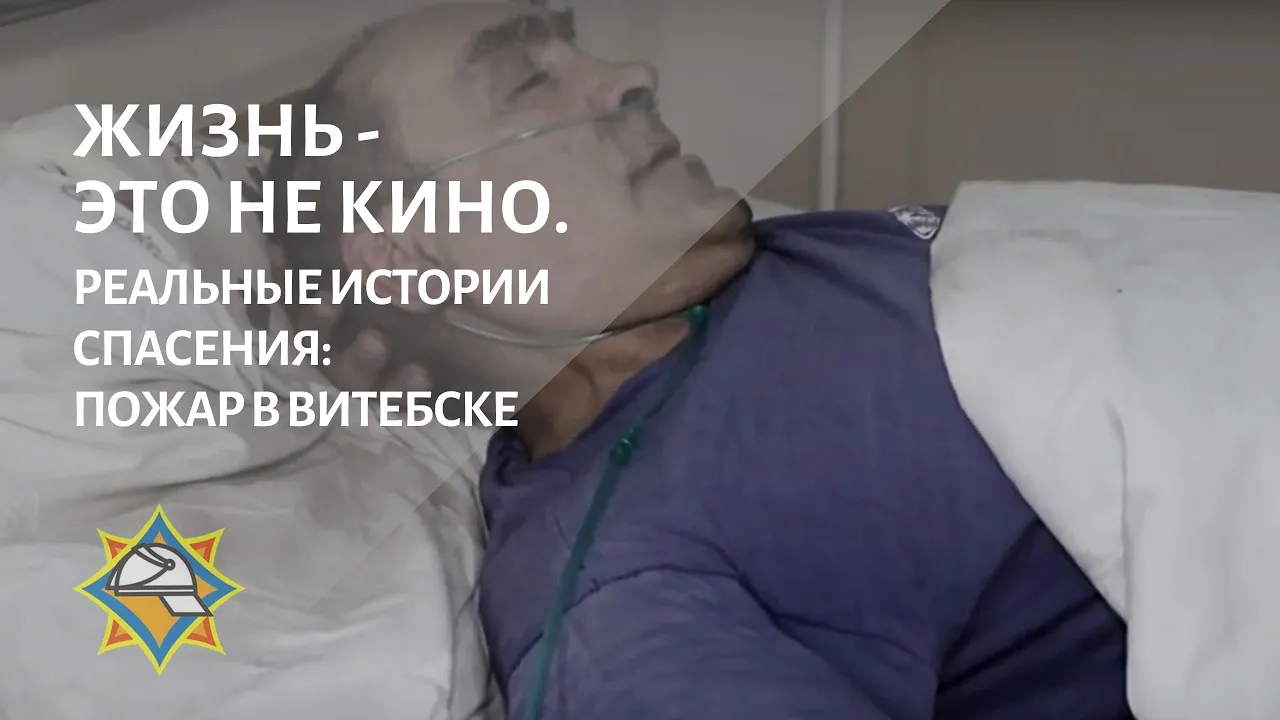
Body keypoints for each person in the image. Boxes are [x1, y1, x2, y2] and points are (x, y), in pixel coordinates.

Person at [272, 2, 1134, 719]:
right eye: (527, 81)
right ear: (408, 257)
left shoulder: (756, 262)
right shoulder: (628, 588)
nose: (633, 74)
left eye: (574, 48)